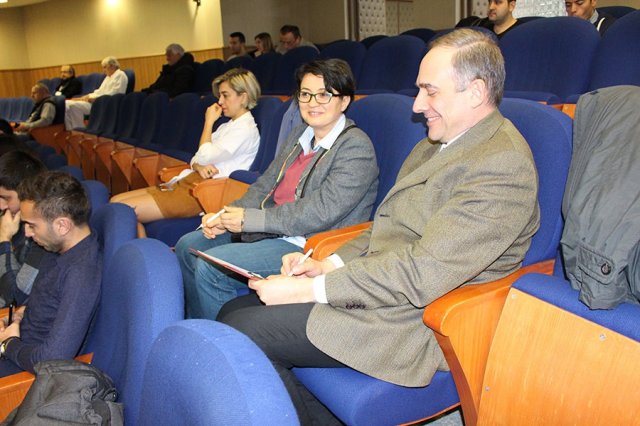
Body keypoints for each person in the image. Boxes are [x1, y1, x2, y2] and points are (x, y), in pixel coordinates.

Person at [218, 29, 540, 424]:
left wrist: (308, 289)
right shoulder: (436, 143)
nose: (417, 105)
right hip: (380, 288)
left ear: (475, 92)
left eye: (430, 91)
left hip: (417, 318)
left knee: (245, 331)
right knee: (233, 309)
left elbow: (421, 273)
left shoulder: (501, 165)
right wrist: (326, 265)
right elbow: (387, 225)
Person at [175, 58, 379, 320]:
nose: (312, 103)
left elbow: (320, 212)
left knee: (209, 268)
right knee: (187, 246)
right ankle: (198, 327)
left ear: (344, 101)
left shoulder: (355, 147)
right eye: (305, 94)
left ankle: (221, 342)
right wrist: (225, 217)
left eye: (324, 95)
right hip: (271, 230)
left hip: (307, 243)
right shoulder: (299, 135)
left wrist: (250, 220)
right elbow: (265, 184)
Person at [111, 68, 262, 225]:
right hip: (190, 182)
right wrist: (198, 166)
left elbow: (204, 156)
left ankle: (137, 241)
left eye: (225, 95)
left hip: (205, 192)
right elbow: (196, 158)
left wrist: (209, 122)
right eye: (220, 96)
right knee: (116, 201)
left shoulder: (245, 129)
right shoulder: (227, 126)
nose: (220, 102)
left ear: (243, 97)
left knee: (120, 210)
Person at [0, 171, 101, 377]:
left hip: (24, 370)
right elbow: (48, 300)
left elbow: (53, 359)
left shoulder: (81, 273)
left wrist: (8, 344)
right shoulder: (59, 248)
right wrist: (20, 315)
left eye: (32, 225)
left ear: (62, 225)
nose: (27, 233)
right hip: (20, 342)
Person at [0, 151, 53, 308]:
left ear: (27, 196)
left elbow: (16, 296)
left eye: (6, 198)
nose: (1, 205)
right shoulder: (9, 215)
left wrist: (4, 241)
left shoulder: (41, 235)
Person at [64, 56, 128, 130]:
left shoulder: (120, 75)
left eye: (105, 67)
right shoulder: (108, 77)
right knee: (66, 103)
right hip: (96, 101)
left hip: (103, 104)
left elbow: (115, 94)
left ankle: (78, 130)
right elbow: (99, 91)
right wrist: (86, 96)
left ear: (112, 66)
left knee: (72, 106)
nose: (103, 71)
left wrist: (95, 99)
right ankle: (71, 130)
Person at [457, 0, 522, 39]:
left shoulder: (521, 32)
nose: (491, 7)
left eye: (497, 2)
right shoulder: (481, 29)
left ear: (511, 6)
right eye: (490, 2)